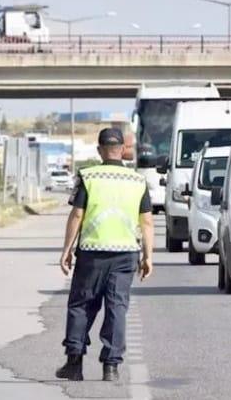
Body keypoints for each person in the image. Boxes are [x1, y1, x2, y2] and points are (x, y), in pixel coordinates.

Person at [56, 128, 155, 383]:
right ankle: (111, 366)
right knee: (117, 308)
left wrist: (66, 249)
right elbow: (146, 222)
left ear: (100, 150)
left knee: (81, 305)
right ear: (122, 150)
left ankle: (74, 363)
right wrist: (148, 256)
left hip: (92, 254)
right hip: (125, 255)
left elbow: (77, 214)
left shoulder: (89, 176)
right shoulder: (137, 181)